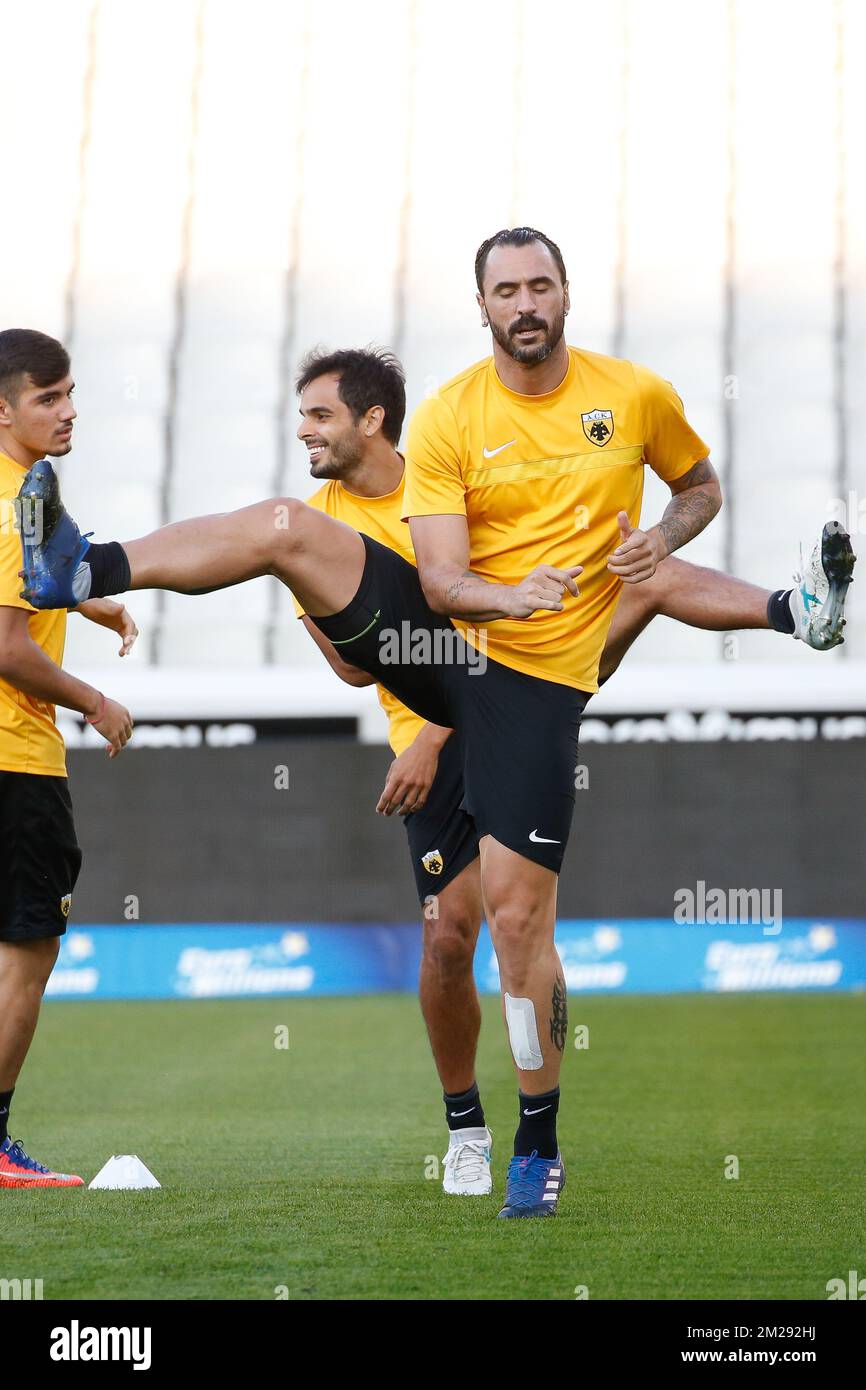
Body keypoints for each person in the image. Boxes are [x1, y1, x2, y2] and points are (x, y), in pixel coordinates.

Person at [16, 231, 855, 1216]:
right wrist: (441, 672)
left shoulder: (600, 407)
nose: (523, 301)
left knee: (510, 913)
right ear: (483, 304)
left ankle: (535, 1148)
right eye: (505, 288)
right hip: (439, 672)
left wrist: (647, 540)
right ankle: (83, 566)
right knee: (287, 533)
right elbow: (406, 617)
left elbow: (686, 494)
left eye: (538, 283)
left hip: (526, 686)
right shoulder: (415, 455)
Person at [0, 328, 136, 1188]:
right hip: (16, 758)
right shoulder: (14, 492)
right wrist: (94, 700)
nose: (67, 410)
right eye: (47, 398)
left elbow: (44, 568)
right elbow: (9, 646)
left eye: (69, 393)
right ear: (3, 409)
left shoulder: (29, 493)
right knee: (28, 953)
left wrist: (96, 609)